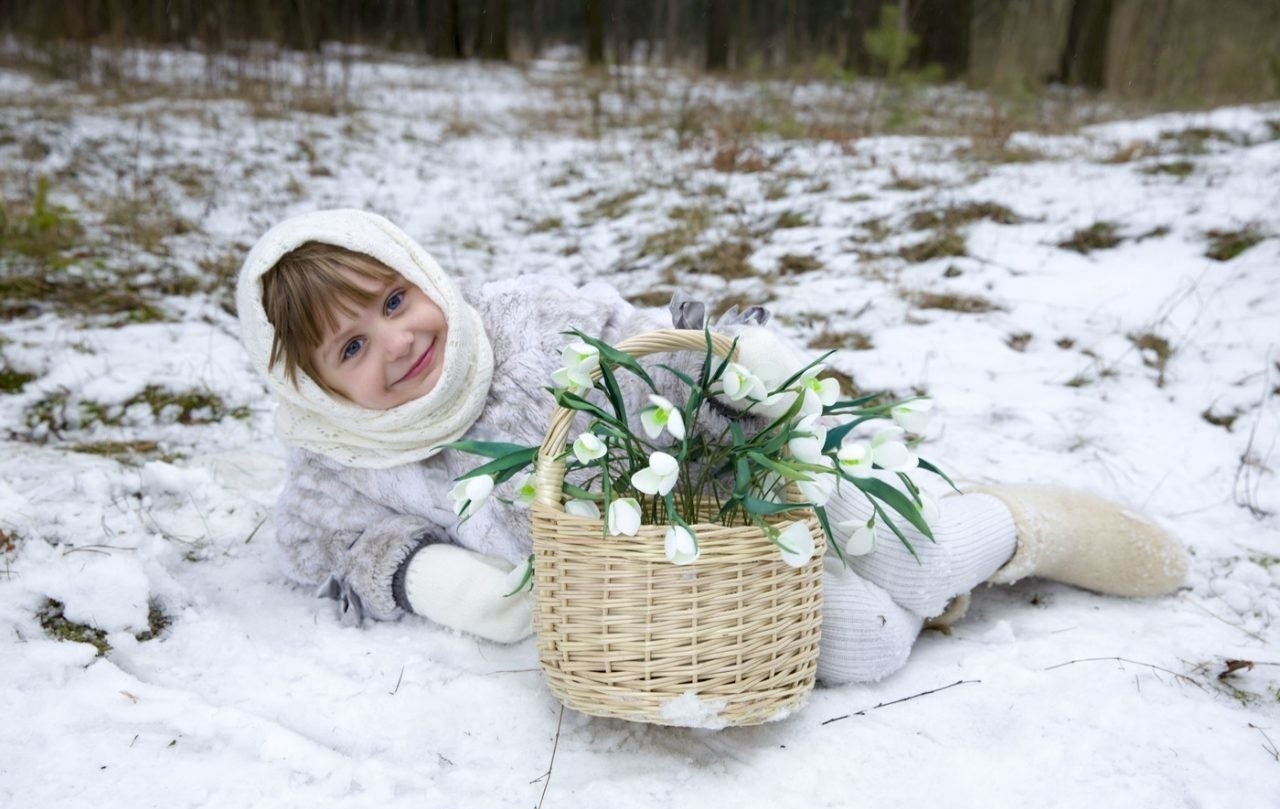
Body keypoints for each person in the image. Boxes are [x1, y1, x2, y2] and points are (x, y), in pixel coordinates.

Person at [236, 209, 1189, 685]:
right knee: (866, 643)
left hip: (729, 480)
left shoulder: (524, 321)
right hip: (670, 590)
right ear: (313, 389)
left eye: (396, 301)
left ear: (424, 275)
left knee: (909, 550)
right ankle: (935, 602)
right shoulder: (345, 461)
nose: (398, 343)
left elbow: (649, 343)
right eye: (352, 347)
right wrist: (423, 575)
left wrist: (731, 367)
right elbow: (316, 538)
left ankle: (1025, 524)